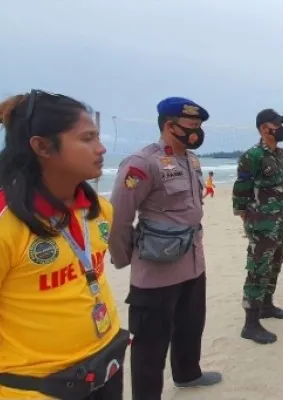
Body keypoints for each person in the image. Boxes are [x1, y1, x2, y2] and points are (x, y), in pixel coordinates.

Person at [0, 90, 129, 399]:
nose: (101, 148)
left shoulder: (98, 211)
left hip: (105, 368)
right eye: (87, 138)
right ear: (42, 146)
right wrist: (22, 356)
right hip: (36, 389)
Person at [109, 97, 222, 400]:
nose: (197, 132)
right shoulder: (143, 163)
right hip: (156, 270)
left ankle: (188, 374)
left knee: (191, 325)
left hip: (193, 261)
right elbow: (119, 217)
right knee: (150, 344)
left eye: (199, 126)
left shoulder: (192, 160)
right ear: (169, 125)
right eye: (191, 126)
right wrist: (124, 258)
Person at [232, 108, 283, 345]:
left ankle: (267, 305)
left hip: (279, 222)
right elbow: (241, 191)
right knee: (258, 269)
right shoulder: (253, 156)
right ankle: (250, 323)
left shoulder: (279, 154)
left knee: (274, 265)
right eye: (277, 124)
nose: (281, 128)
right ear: (264, 128)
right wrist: (249, 220)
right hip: (261, 224)